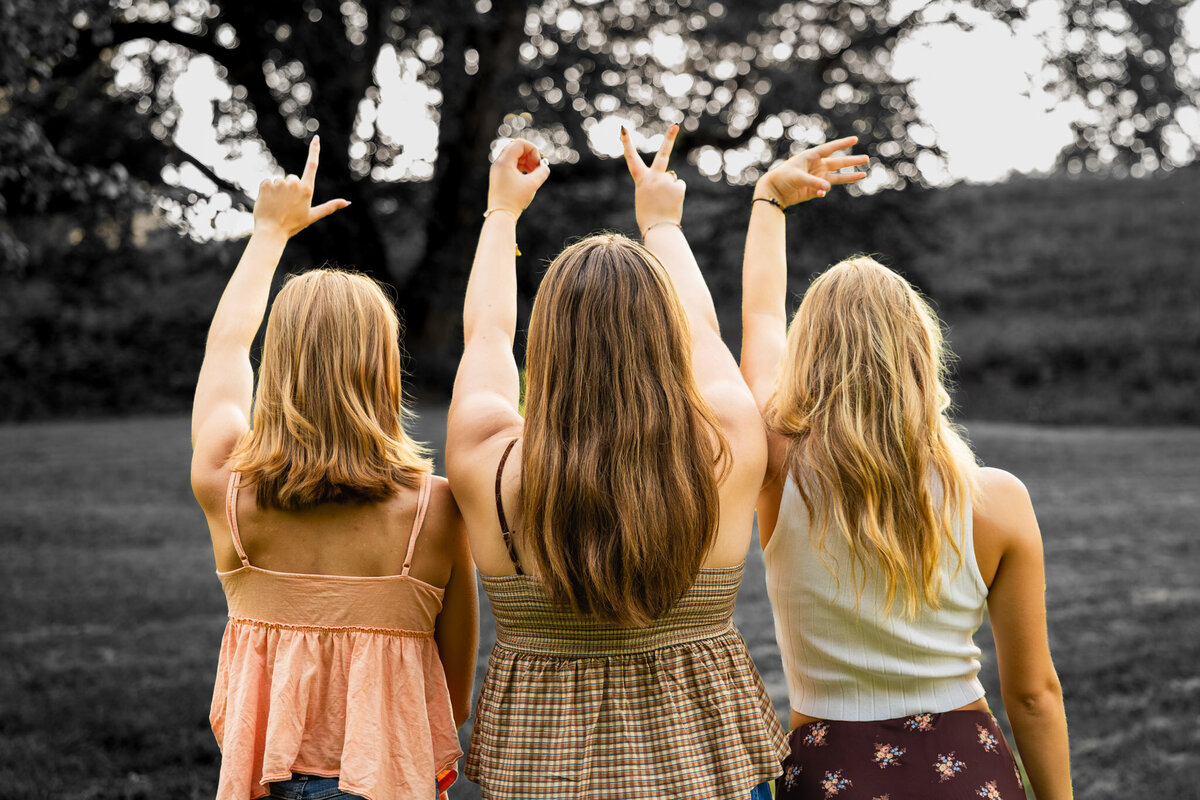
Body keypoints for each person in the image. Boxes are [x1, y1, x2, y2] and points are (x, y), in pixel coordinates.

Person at [445, 129, 788, 799]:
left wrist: (501, 214)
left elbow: (486, 334)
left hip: (542, 774)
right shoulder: (727, 441)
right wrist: (660, 222)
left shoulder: (487, 459)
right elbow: (705, 330)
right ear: (665, 337)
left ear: (546, 342)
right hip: (707, 769)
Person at [740, 136, 1073, 799]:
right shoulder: (998, 499)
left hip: (830, 773)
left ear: (807, 358)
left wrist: (769, 201)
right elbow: (1033, 694)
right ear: (922, 354)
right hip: (968, 770)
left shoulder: (779, 468)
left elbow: (758, 321)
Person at [190, 136, 477, 800]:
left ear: (280, 363)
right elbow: (453, 700)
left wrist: (268, 235)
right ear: (383, 366)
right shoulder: (434, 511)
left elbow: (226, 346)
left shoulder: (225, 487)